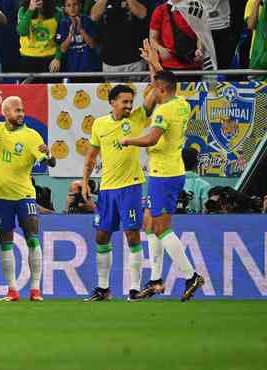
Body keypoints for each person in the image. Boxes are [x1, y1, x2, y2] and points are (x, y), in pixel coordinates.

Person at [120, 46, 205, 302]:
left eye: (154, 88)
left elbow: (152, 138)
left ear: (161, 90)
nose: (152, 91)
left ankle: (191, 275)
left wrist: (128, 141)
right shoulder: (179, 103)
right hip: (171, 171)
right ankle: (156, 282)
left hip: (163, 174)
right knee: (149, 223)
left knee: (160, 228)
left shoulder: (164, 111)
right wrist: (153, 63)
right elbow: (162, 81)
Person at [82, 81, 157, 302]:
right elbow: (91, 156)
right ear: (112, 102)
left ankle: (134, 289)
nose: (128, 105)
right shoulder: (99, 125)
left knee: (132, 234)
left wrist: (154, 69)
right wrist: (85, 182)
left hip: (131, 187)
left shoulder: (135, 118)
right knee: (101, 235)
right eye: (124, 102)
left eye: (130, 102)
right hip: (107, 190)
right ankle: (103, 289)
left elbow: (152, 100)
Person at [0, 96, 56, 302]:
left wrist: (49, 155)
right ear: (5, 113)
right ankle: (12, 290)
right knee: (6, 243)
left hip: (25, 196)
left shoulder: (32, 136)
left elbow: (48, 159)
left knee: (32, 238)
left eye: (22, 110)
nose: (21, 114)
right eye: (16, 110)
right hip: (1, 198)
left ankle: (35, 290)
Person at [91, 0, 148, 77]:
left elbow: (142, 14)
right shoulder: (100, 0)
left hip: (135, 61)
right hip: (110, 63)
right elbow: (93, 16)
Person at [150, 0, 204, 70]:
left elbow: (200, 35)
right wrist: (160, 49)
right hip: (169, 65)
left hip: (193, 64)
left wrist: (199, 49)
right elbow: (152, 38)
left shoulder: (195, 8)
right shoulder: (160, 10)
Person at [17, 0, 63, 78]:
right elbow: (22, 32)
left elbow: (62, 38)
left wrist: (58, 58)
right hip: (28, 59)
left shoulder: (57, 12)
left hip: (50, 60)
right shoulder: (23, 10)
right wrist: (30, 10)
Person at [56, 0, 100, 77]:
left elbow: (92, 45)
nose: (72, 8)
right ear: (65, 9)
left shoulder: (88, 20)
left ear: (80, 6)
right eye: (68, 5)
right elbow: (62, 49)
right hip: (71, 70)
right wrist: (70, 35)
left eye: (75, 4)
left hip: (91, 69)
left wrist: (81, 30)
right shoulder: (63, 23)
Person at [181, 147, 211, 214]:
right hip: (197, 223)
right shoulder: (204, 185)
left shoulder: (169, 184)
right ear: (196, 164)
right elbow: (206, 212)